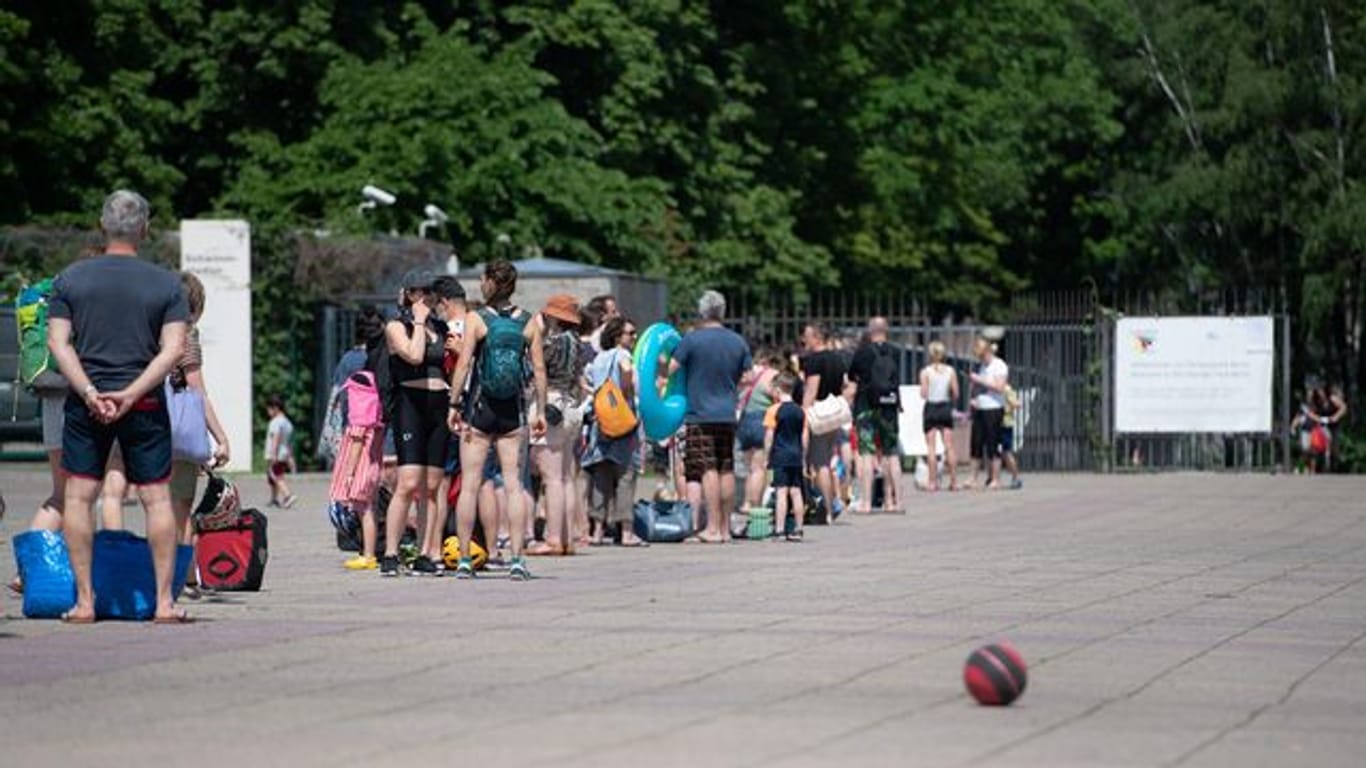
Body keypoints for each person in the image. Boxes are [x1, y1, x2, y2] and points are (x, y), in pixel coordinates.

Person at [46, 189, 190, 624]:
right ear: (144, 228)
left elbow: (58, 343)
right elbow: (173, 350)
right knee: (156, 498)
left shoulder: (70, 278)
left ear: (101, 226)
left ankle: (85, 602)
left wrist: (91, 392)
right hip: (143, 403)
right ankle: (164, 603)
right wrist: (131, 393)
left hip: (86, 406)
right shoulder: (167, 284)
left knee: (79, 494)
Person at [448, 259, 548, 581]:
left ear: (491, 282)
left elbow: (464, 365)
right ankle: (518, 558)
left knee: (470, 485)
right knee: (514, 486)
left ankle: (464, 559)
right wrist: (541, 411)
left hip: (480, 410)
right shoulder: (530, 322)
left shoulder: (476, 319)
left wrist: (453, 403)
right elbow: (540, 370)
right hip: (512, 412)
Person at [377, 270, 452, 576]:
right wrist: (419, 322)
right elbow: (414, 355)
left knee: (433, 487)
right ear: (407, 295)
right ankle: (391, 553)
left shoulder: (441, 327)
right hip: (411, 404)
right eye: (418, 292)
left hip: (439, 405)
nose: (425, 299)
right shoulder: (397, 327)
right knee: (408, 483)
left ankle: (425, 551)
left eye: (430, 293)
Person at [668, 290, 752, 543]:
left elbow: (671, 368)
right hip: (727, 413)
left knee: (707, 469)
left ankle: (712, 528)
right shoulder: (738, 341)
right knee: (726, 468)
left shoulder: (692, 340)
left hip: (700, 414)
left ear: (701, 312)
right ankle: (725, 529)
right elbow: (747, 377)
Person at [527, 294, 588, 556]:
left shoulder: (551, 342)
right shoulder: (577, 343)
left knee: (550, 479)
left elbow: (534, 368)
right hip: (572, 406)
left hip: (550, 403)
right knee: (565, 478)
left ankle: (552, 539)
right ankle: (567, 538)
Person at [581, 316, 646, 547]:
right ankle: (626, 531)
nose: (634, 337)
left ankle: (597, 529)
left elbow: (585, 381)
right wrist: (627, 395)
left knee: (601, 474)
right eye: (631, 333)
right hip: (622, 418)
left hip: (602, 420)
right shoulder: (623, 354)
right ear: (618, 336)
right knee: (625, 474)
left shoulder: (599, 358)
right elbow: (626, 370)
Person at [339, 308, 390, 570]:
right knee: (371, 499)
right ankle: (376, 548)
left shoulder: (350, 360)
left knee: (363, 502)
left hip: (359, 431)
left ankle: (367, 551)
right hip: (379, 432)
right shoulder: (383, 355)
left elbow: (339, 399)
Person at [847, 317, 905, 512]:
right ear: (886, 330)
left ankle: (866, 502)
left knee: (866, 453)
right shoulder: (895, 351)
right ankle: (893, 502)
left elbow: (851, 375)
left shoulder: (862, 352)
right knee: (891, 453)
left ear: (870, 331)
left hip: (866, 406)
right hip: (889, 406)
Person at [800, 323, 849, 517]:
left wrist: (803, 413)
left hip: (818, 414)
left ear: (817, 337)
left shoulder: (814, 361)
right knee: (828, 460)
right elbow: (844, 384)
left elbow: (811, 390)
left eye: (807, 336)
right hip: (834, 415)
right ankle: (829, 504)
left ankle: (827, 509)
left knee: (819, 463)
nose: (805, 340)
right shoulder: (838, 358)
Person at [737, 351, 781, 511]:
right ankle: (754, 504)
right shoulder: (771, 375)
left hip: (745, 421)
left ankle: (746, 502)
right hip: (761, 420)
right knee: (759, 467)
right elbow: (778, 395)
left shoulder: (747, 374)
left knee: (750, 467)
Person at [765, 373, 807, 542]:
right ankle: (798, 528)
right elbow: (804, 436)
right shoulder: (800, 411)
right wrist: (803, 454)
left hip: (780, 454)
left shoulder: (773, 410)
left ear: (777, 390)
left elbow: (769, 436)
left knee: (781, 492)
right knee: (796, 492)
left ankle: (780, 529)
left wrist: (767, 455)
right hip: (796, 454)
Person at [968, 335, 1008, 490]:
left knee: (993, 444)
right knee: (976, 443)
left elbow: (999, 387)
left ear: (986, 352)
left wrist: (979, 380)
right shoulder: (982, 366)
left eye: (980, 355)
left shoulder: (999, 365)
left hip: (994, 408)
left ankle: (995, 478)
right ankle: (973, 478)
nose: (979, 358)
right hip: (980, 407)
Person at [919, 340, 959, 492]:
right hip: (945, 406)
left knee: (931, 447)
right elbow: (956, 393)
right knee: (949, 445)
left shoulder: (925, 371)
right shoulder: (950, 371)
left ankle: (932, 482)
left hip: (931, 407)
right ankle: (954, 481)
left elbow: (923, 393)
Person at [264, 395, 297, 508]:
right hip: (284, 454)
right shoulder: (287, 423)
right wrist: (290, 457)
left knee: (276, 476)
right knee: (273, 476)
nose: (268, 412)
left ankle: (288, 495)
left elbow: (275, 438)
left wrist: (273, 454)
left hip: (275, 454)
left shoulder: (275, 422)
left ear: (275, 408)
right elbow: (289, 442)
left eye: (269, 409)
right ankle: (274, 499)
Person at [1000, 379, 1023, 489]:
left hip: (1005, 423)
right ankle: (993, 477)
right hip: (998, 422)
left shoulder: (1007, 390)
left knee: (1006, 451)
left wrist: (1008, 406)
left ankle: (1015, 477)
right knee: (1002, 452)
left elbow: (1017, 403)